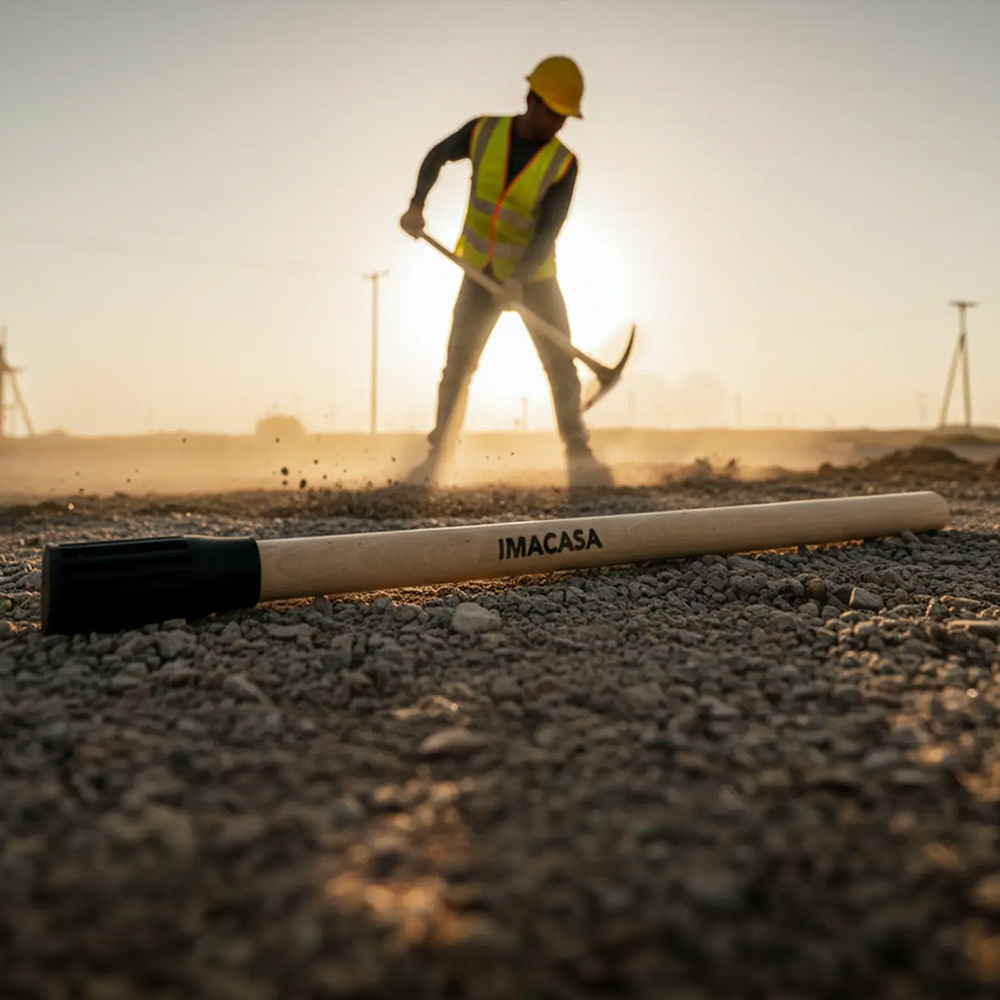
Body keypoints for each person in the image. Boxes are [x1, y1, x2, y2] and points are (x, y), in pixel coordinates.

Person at [399, 55, 614, 489]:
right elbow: (437, 155)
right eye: (552, 112)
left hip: (535, 279)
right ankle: (437, 459)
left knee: (560, 367)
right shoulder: (483, 131)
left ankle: (580, 457)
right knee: (458, 368)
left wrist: (518, 280)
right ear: (530, 99)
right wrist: (417, 203)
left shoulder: (564, 164)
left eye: (564, 117)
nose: (558, 124)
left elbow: (549, 229)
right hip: (479, 271)